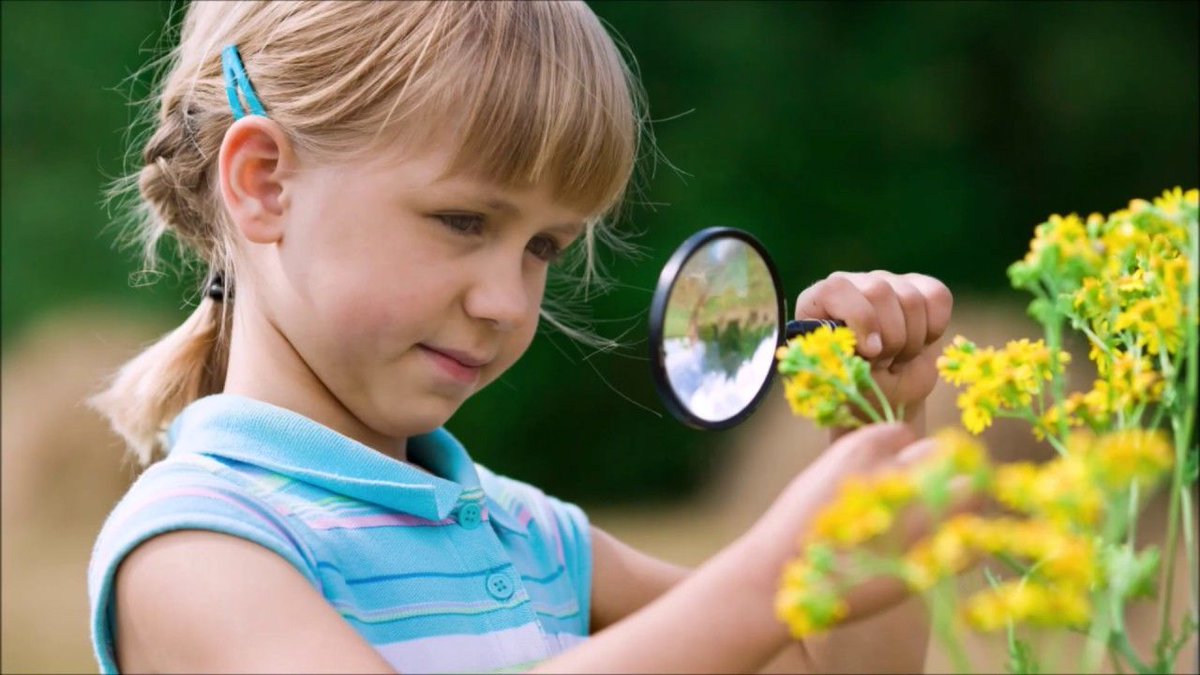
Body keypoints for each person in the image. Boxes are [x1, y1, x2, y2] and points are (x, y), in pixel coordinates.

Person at [87, 2, 957, 673]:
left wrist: (873, 430)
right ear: (265, 184)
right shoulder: (193, 545)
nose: (507, 302)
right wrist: (765, 578)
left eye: (544, 247)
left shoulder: (532, 537)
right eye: (462, 221)